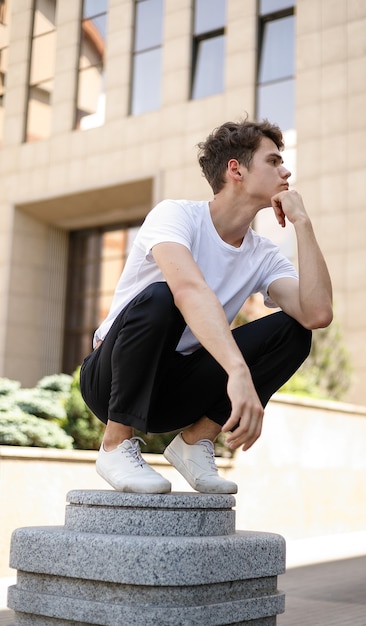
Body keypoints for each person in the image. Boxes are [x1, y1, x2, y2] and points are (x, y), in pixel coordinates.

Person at [80, 119, 333, 495]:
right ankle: (116, 443)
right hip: (114, 381)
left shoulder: (262, 254)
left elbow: (317, 313)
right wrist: (238, 372)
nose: (286, 171)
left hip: (177, 395)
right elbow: (188, 290)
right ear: (236, 169)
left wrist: (303, 223)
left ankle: (195, 442)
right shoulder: (176, 215)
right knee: (163, 296)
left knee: (293, 332)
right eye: (274, 160)